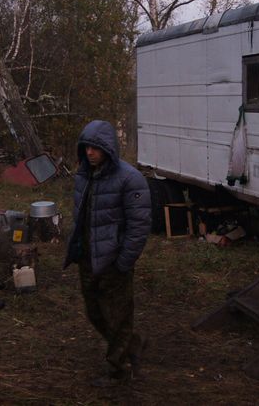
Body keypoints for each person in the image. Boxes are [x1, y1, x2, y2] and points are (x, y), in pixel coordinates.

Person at [64, 120, 152, 386]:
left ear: (109, 148)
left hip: (114, 261)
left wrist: (124, 261)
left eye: (96, 148)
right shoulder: (84, 174)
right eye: (87, 147)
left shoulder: (129, 178)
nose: (90, 152)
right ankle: (132, 344)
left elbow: (139, 226)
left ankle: (119, 368)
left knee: (118, 316)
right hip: (88, 257)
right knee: (95, 312)